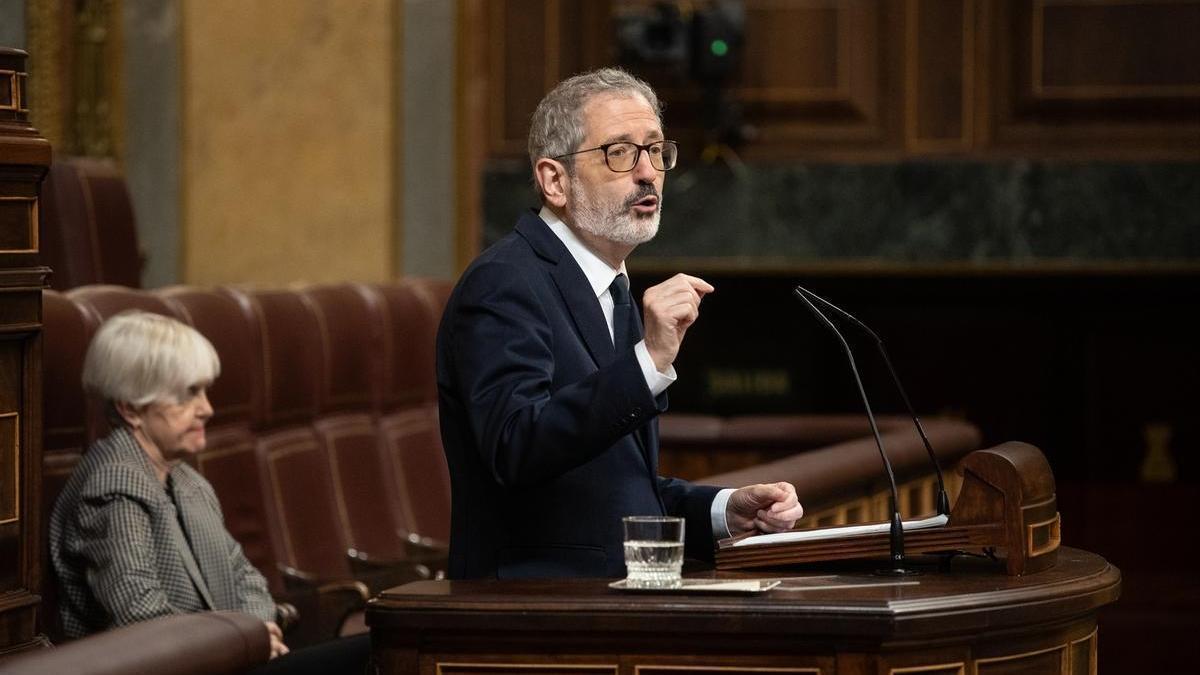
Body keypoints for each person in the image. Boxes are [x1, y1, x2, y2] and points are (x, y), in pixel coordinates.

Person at [436, 67, 805, 580]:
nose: (648, 172)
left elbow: (612, 488)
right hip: (531, 608)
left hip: (608, 600)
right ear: (555, 181)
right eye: (620, 152)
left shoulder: (611, 289)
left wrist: (722, 510)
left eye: (655, 149)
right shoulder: (504, 282)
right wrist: (647, 361)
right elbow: (515, 448)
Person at [50, 311, 368, 672]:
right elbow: (141, 618)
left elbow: (246, 578)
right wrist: (241, 641)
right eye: (188, 395)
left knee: (379, 648)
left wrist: (256, 631)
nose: (207, 409)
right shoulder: (114, 489)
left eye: (204, 391)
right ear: (131, 409)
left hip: (230, 660)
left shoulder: (187, 481)